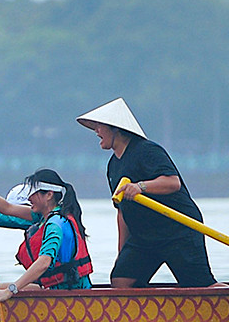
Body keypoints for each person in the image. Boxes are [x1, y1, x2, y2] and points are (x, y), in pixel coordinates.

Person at [76, 98, 216, 288]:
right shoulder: (113, 166)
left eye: (99, 126)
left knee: (199, 286)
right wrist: (122, 254)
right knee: (121, 280)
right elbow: (122, 212)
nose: (96, 131)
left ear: (115, 128)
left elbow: (172, 182)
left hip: (178, 230)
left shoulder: (147, 150)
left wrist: (140, 187)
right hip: (144, 237)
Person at [0, 169, 93, 301]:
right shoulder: (43, 217)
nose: (28, 198)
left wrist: (10, 291)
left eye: (32, 192)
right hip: (53, 287)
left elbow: (44, 263)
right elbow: (6, 208)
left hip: (69, 293)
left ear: (49, 195)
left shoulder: (56, 224)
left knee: (0, 289)